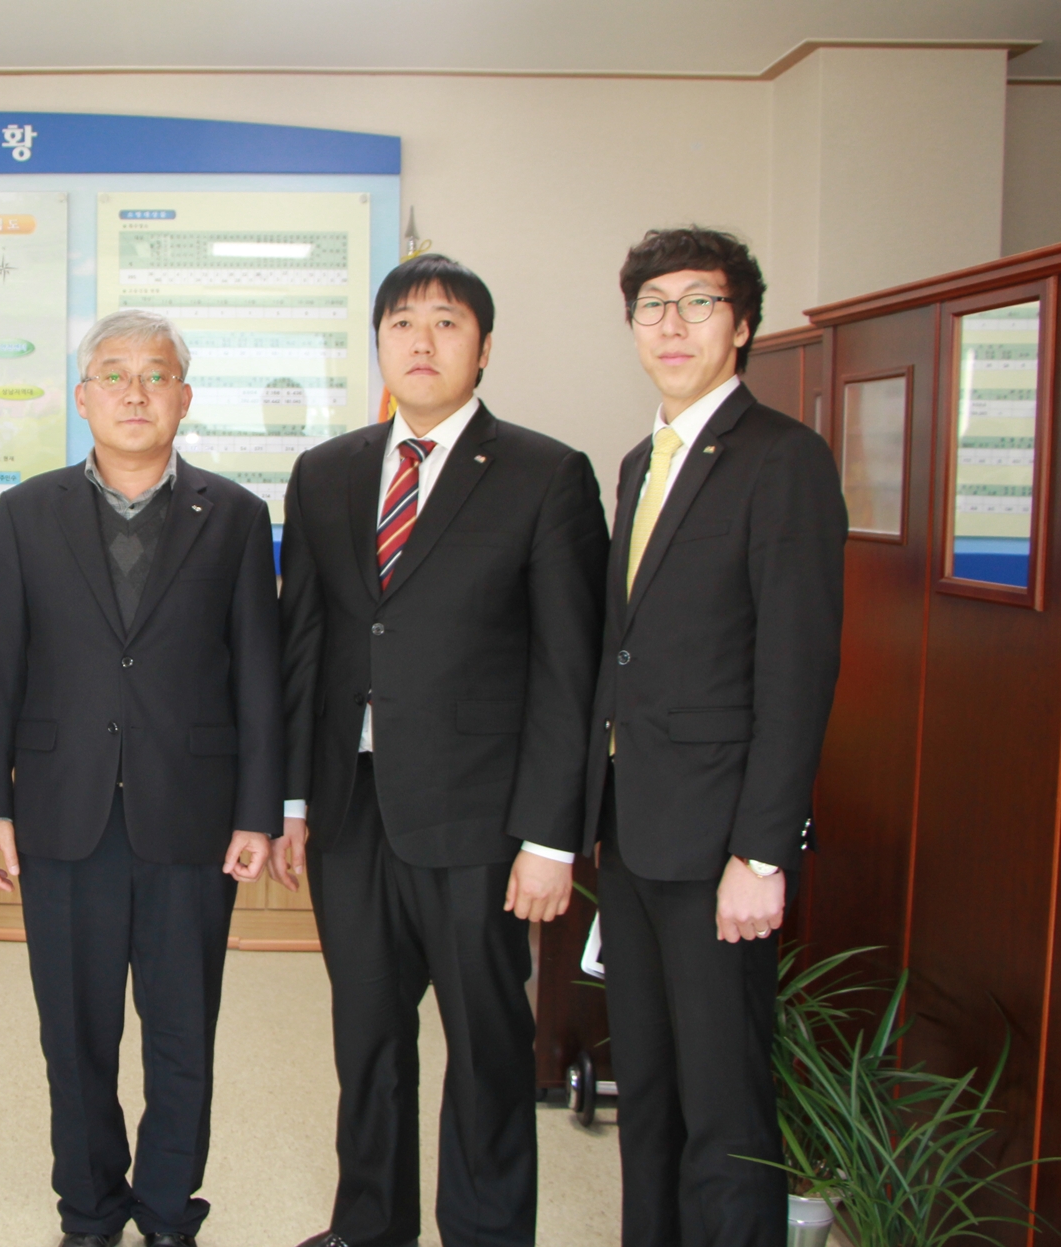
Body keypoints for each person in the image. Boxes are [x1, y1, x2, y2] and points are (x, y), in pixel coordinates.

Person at [277, 254, 607, 1247]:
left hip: (480, 818)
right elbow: (304, 645)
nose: (421, 341)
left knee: (487, 1044)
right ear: (377, 344)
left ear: (484, 348)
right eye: (402, 323)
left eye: (446, 323)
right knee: (366, 1039)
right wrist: (291, 802)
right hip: (351, 809)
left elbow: (569, 669)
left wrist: (549, 836)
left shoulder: (545, 473)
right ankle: (367, 1225)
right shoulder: (325, 471)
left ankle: (485, 1231)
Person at [0, 309, 281, 1247]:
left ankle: (169, 1209)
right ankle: (91, 1208)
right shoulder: (28, 510)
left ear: (184, 396)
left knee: (183, 1036)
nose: (134, 392)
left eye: (155, 375)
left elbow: (258, 673)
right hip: (62, 815)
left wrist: (257, 811)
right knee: (75, 1037)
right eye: (114, 374)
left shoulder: (235, 514)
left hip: (193, 814)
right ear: (82, 396)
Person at [588, 228, 845, 1247]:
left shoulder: (782, 458)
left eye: (698, 303)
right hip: (635, 832)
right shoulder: (639, 460)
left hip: (720, 847)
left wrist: (761, 852)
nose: (672, 324)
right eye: (653, 305)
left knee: (725, 1110)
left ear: (740, 326)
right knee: (647, 1093)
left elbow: (796, 671)